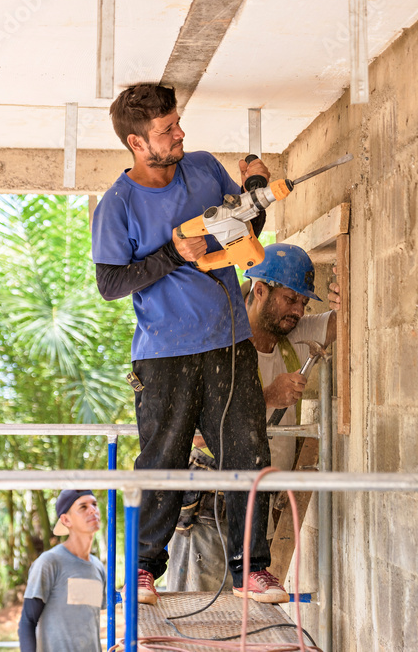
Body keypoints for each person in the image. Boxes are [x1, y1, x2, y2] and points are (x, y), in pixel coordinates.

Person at [91, 83, 287, 605]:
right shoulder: (118, 205)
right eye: (166, 131)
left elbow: (245, 227)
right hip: (163, 352)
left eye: (177, 123)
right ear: (136, 143)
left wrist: (255, 189)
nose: (180, 134)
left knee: (246, 452)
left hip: (229, 341)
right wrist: (175, 254)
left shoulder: (202, 167)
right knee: (164, 459)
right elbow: (110, 284)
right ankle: (141, 570)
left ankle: (250, 570)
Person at [167, 244, 340, 593]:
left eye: (304, 303)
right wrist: (266, 398)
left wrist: (347, 295)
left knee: (245, 617)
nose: (297, 310)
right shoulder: (217, 344)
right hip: (212, 510)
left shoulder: (288, 336)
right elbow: (195, 435)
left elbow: (340, 325)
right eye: (290, 298)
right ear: (260, 290)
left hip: (260, 506)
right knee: (201, 622)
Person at [18, 490, 106, 652]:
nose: (93, 510)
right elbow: (27, 621)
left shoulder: (98, 567)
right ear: (66, 520)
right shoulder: (50, 562)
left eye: (94, 504)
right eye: (83, 507)